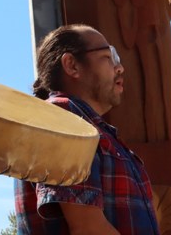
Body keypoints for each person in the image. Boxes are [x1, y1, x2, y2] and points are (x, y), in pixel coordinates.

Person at [15, 24, 160, 235]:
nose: (120, 68)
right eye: (108, 56)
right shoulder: (61, 116)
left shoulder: (91, 128)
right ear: (72, 65)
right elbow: (88, 229)